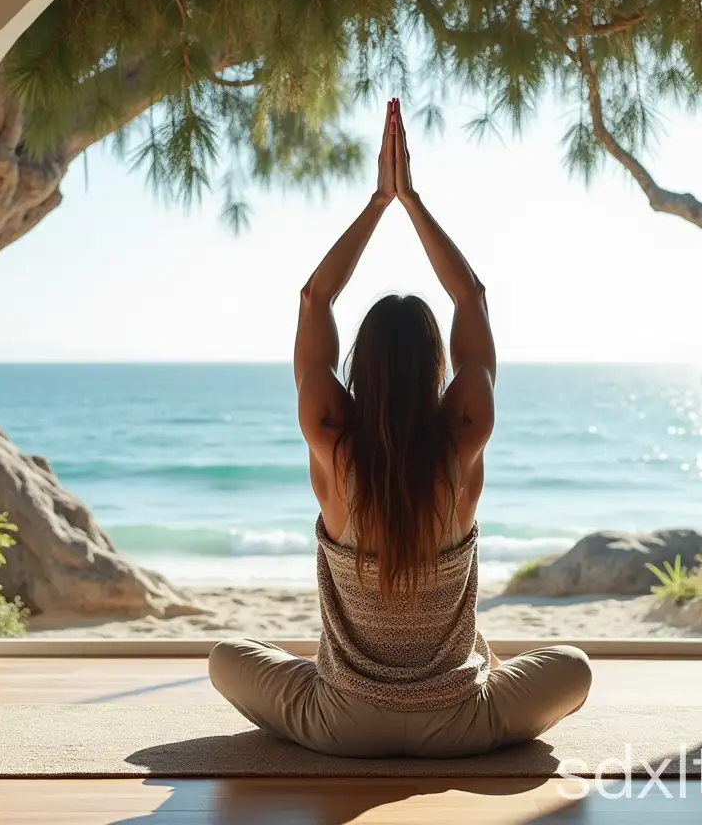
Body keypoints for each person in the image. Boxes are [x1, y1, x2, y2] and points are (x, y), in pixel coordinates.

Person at [209, 100, 591, 758]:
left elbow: (313, 300)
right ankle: (465, 673)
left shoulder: (331, 443)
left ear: (362, 365)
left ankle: (350, 690)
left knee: (224, 657)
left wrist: (378, 202)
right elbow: (471, 298)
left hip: (342, 726)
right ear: (435, 365)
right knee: (575, 667)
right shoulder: (463, 442)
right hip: (460, 724)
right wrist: (413, 202)